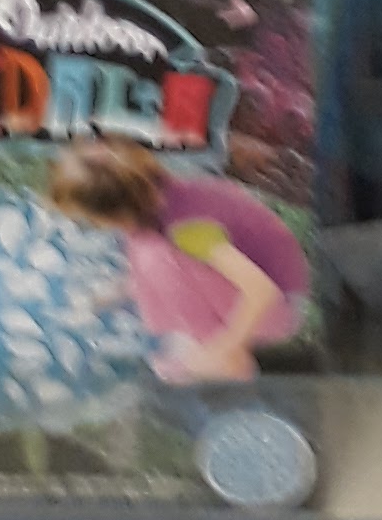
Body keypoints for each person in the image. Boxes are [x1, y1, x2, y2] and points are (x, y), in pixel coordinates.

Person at [45, 139, 297, 385]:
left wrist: (220, 350)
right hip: (229, 286)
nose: (96, 226)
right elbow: (148, 272)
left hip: (266, 310)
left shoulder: (186, 228)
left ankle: (233, 375)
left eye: (91, 220)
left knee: (159, 271)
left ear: (114, 215)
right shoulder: (153, 208)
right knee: (153, 261)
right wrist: (104, 297)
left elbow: (261, 291)